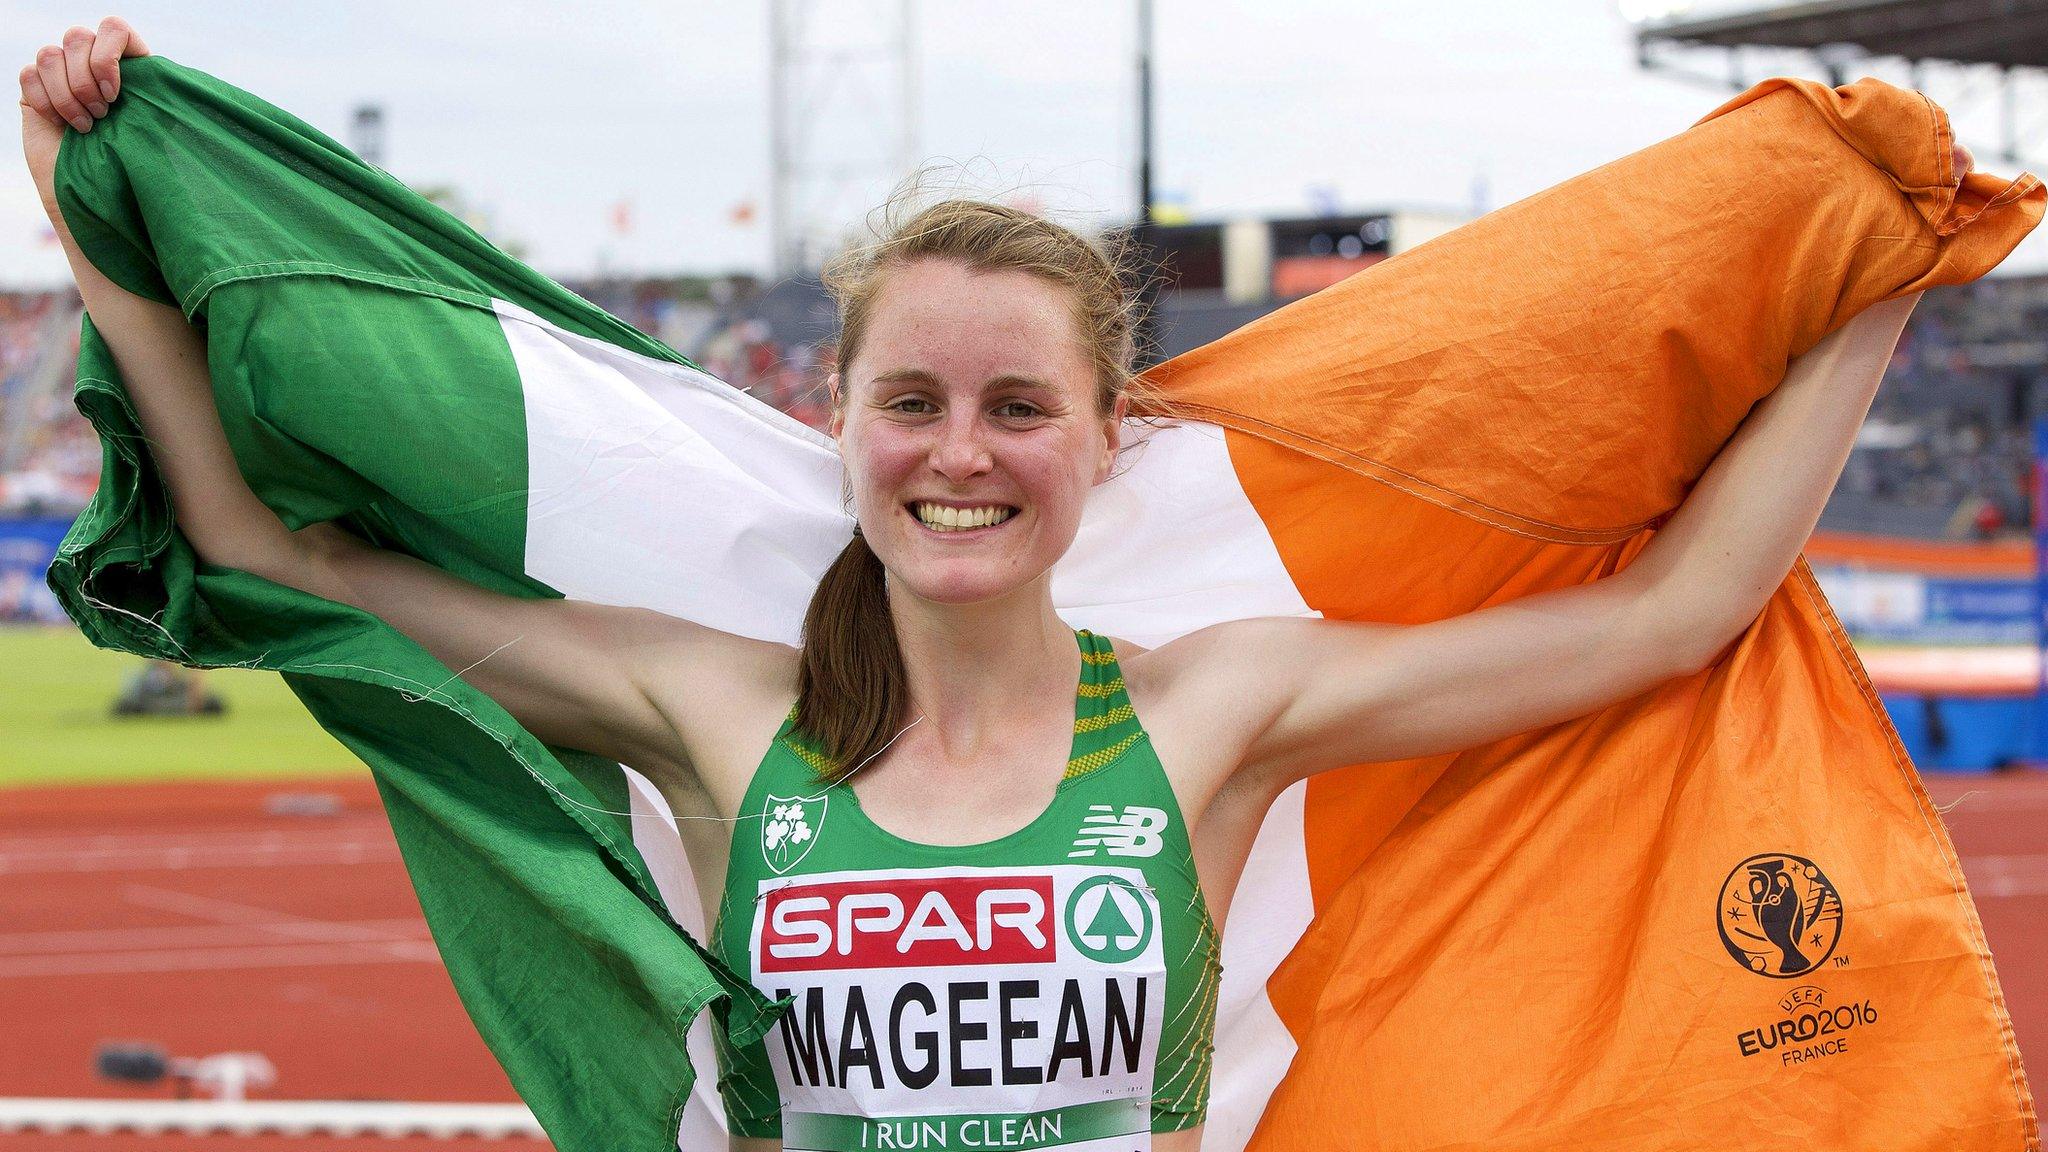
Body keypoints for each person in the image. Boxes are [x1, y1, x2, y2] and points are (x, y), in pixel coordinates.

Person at [19, 18, 1971, 1150]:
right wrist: (102, 216)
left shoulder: (1221, 708)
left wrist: (1866, 279)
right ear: (835, 418)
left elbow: (1665, 621)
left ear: (1104, 436)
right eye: (914, 401)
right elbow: (275, 549)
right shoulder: (715, 710)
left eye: (1018, 403)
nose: (963, 451)